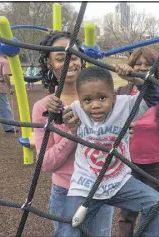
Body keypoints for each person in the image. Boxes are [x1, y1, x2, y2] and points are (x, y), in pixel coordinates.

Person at [60, 66, 159, 237]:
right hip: (85, 184)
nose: (95, 105)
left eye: (102, 98)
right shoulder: (76, 109)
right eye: (87, 100)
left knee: (155, 203)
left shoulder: (126, 105)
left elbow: (154, 96)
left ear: (114, 96)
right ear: (80, 100)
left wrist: (135, 79)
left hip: (119, 182)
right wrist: (54, 107)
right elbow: (56, 113)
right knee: (68, 230)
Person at [32, 31, 113, 237]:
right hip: (65, 192)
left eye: (74, 56)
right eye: (60, 58)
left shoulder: (101, 100)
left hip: (100, 189)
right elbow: (46, 163)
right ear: (50, 64)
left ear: (82, 60)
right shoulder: (44, 108)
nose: (69, 62)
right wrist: (71, 132)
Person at [115, 47, 159, 237]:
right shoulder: (121, 93)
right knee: (127, 213)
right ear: (131, 66)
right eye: (138, 63)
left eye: (148, 64)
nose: (143, 67)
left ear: (157, 67)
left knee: (156, 211)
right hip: (130, 163)